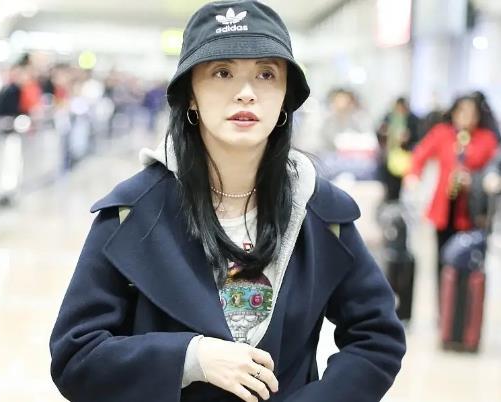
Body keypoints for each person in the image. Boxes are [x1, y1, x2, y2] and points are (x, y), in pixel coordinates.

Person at [49, 2, 406, 402]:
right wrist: (191, 358)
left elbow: (377, 338)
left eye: (266, 74)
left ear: (286, 96)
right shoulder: (133, 212)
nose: (246, 93)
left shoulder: (320, 213)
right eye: (222, 72)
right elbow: (75, 355)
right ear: (191, 95)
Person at [404, 95, 498, 296]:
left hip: (471, 212)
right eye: (462, 112)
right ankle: (443, 305)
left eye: (471, 113)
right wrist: (413, 176)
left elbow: (492, 170)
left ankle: (464, 306)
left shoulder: (486, 139)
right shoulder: (442, 133)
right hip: (444, 209)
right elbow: (420, 155)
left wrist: (474, 181)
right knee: (442, 262)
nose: (466, 117)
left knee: (467, 265)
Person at [377, 97, 420, 201]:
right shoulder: (389, 117)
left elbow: (418, 136)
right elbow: (379, 132)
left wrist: (408, 137)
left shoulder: (413, 119)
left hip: (406, 155)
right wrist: (383, 132)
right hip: (390, 154)